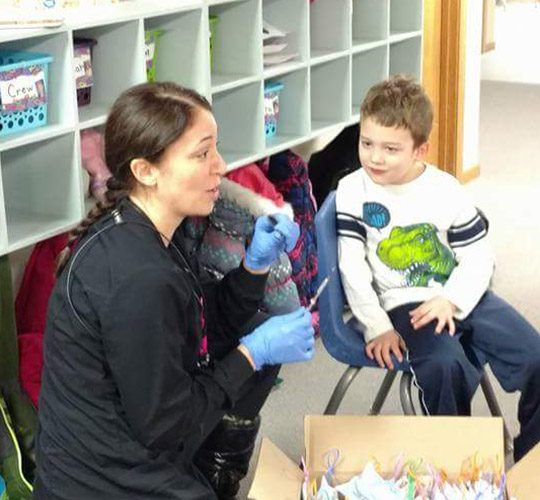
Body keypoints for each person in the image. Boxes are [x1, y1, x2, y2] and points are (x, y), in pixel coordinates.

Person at [34, 82, 315, 499]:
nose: (220, 165)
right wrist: (251, 353)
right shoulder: (138, 275)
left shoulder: (150, 232)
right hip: (103, 483)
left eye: (215, 149)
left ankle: (213, 477)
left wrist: (254, 266)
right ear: (145, 170)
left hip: (132, 444)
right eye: (202, 154)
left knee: (253, 337)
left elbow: (196, 324)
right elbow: (169, 426)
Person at [336, 75, 540, 462]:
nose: (374, 157)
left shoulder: (446, 190)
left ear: (420, 150)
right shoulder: (351, 190)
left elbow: (479, 256)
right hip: (403, 305)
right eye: (367, 143)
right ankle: (458, 466)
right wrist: (376, 325)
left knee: (535, 356)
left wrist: (453, 299)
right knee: (445, 366)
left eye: (390, 149)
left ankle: (533, 463)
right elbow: (352, 267)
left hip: (462, 295)